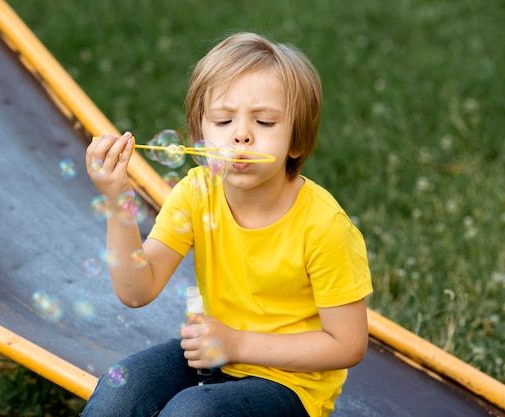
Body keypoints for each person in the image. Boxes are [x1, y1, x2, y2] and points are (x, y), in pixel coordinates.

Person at [82, 32, 372, 417]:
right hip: (214, 353)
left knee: (191, 412)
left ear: (297, 142)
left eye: (265, 121)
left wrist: (236, 344)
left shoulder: (324, 226)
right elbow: (137, 289)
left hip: (290, 385)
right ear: (201, 136)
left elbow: (348, 345)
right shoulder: (197, 191)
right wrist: (117, 198)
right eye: (222, 119)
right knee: (122, 390)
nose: (240, 134)